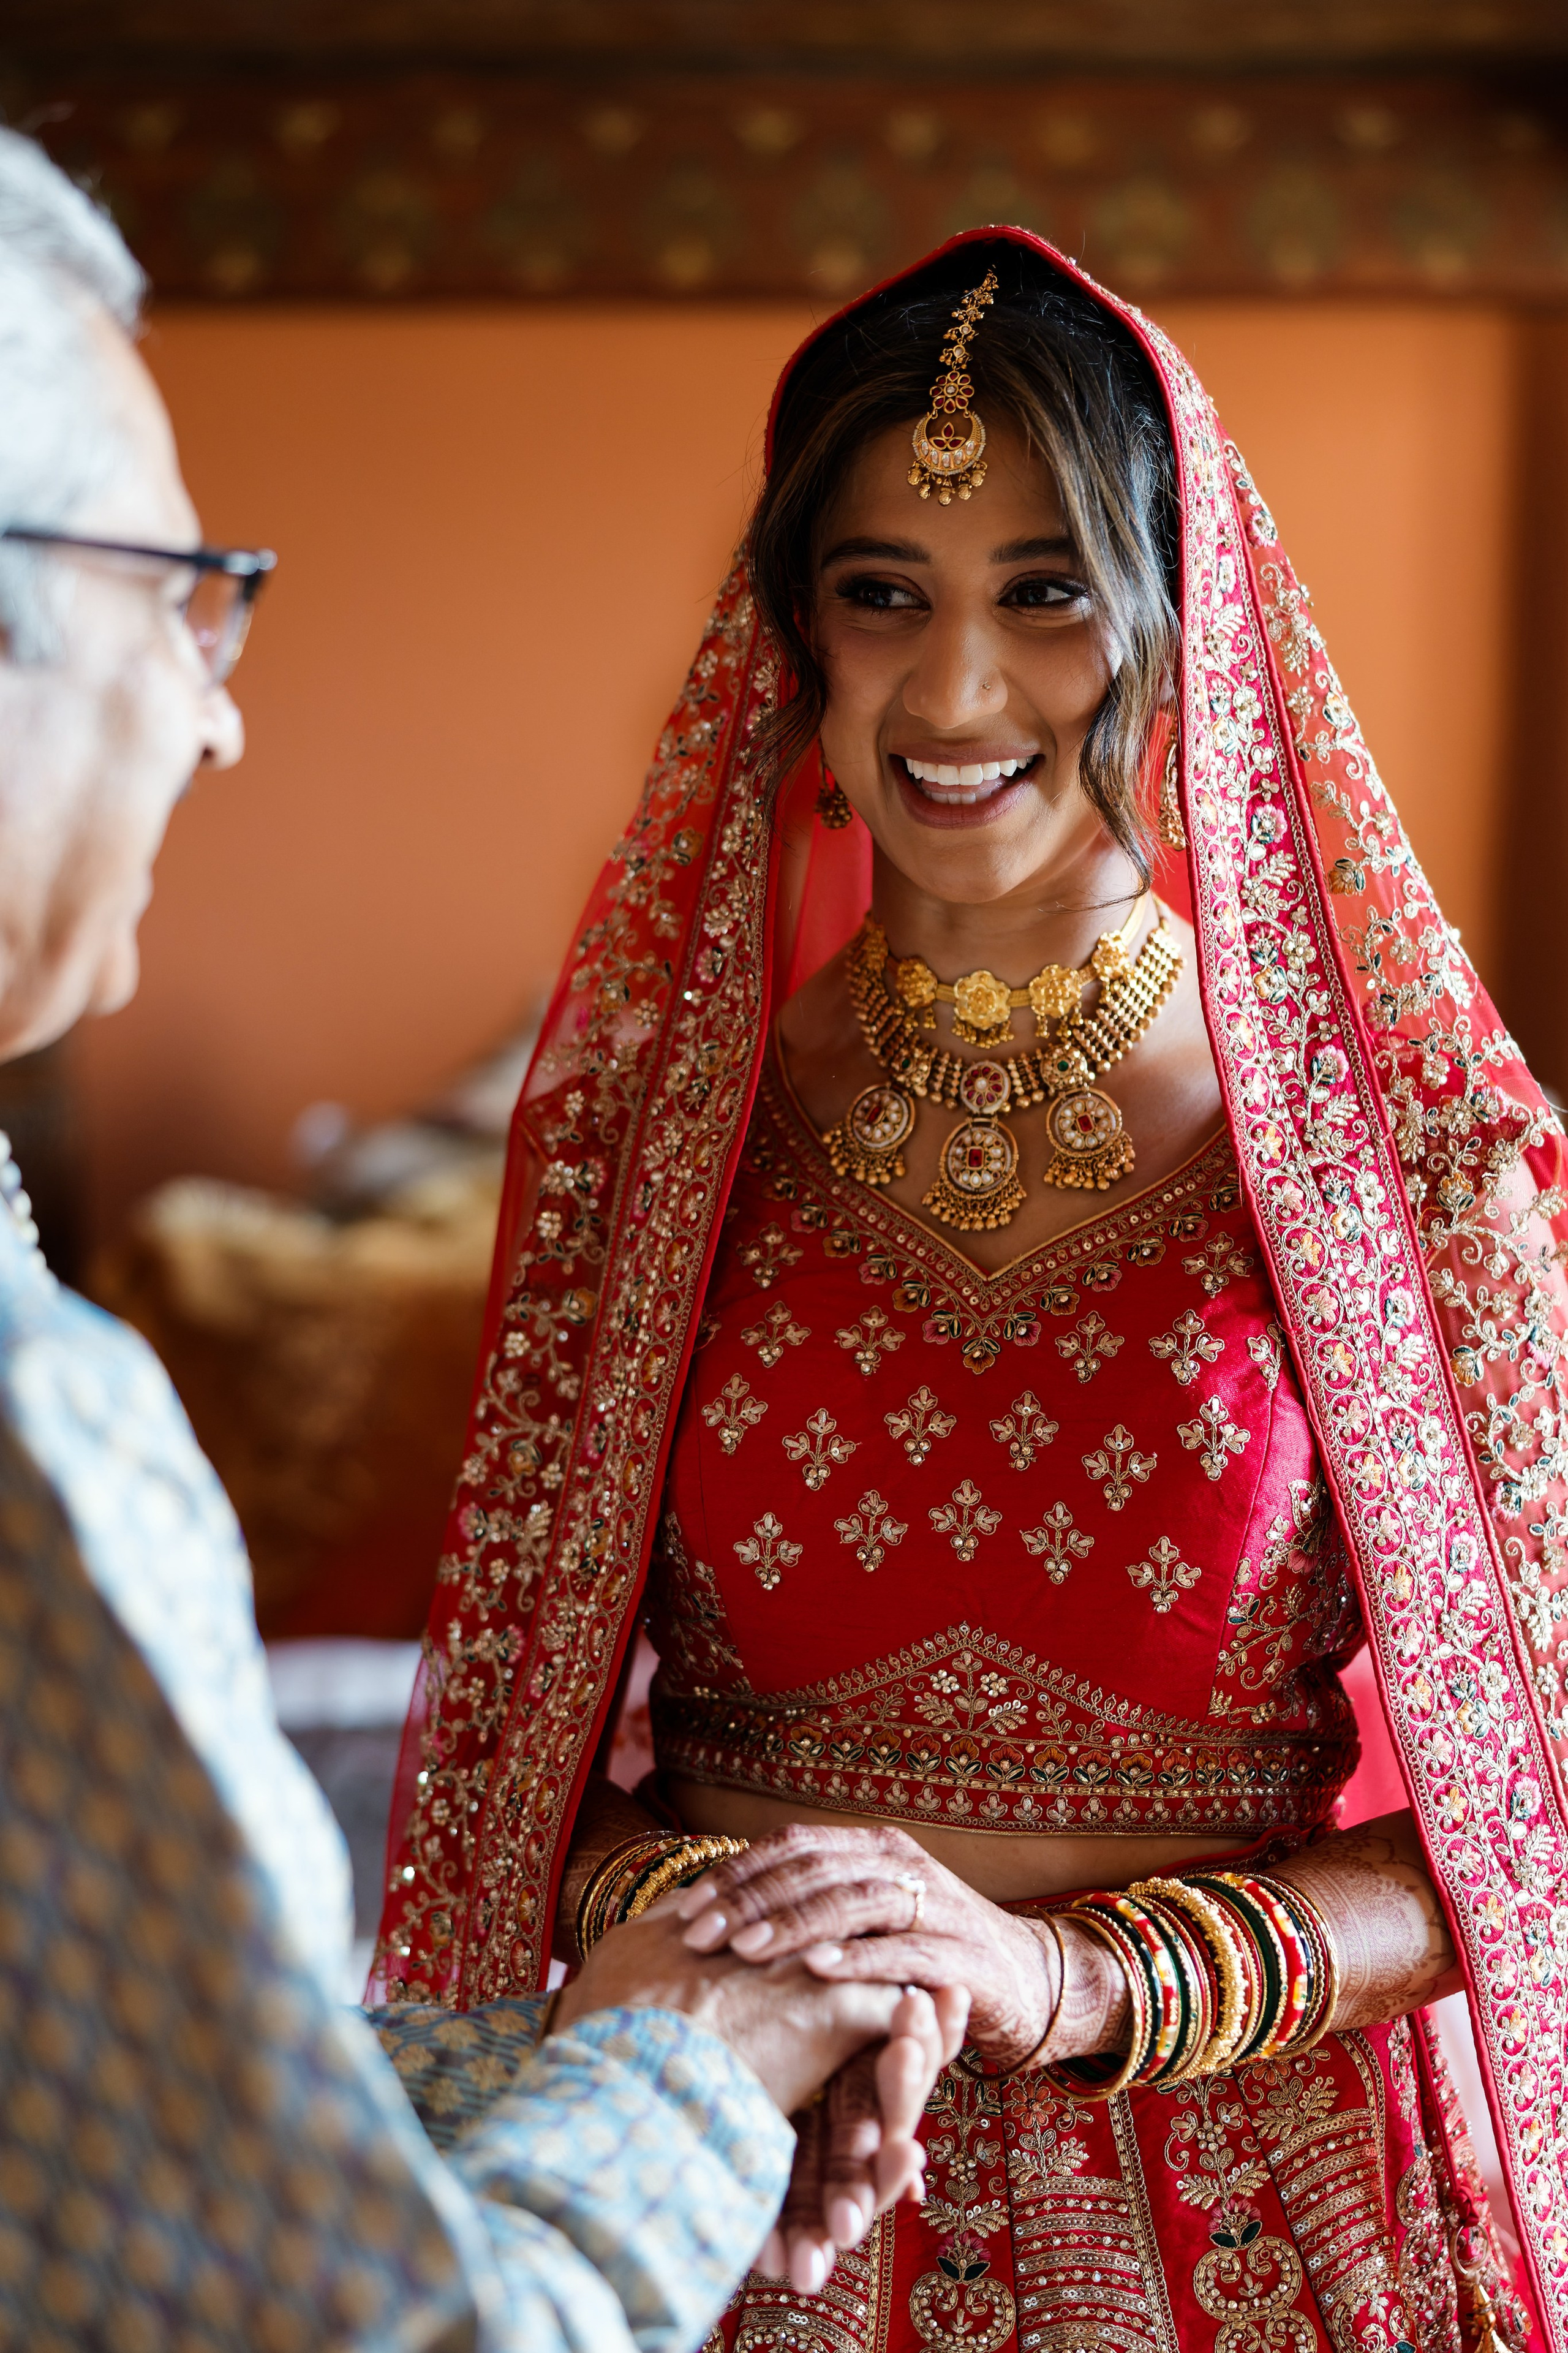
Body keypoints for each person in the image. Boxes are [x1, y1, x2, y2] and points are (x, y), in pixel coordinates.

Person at [379, 227, 1566, 2351]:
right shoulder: (651, 1138)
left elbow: (1530, 1802)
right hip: (763, 2193)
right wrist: (796, 1943)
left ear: (1190, 630)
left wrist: (1064, 1977)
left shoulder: (1407, 1159)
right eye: (881, 596)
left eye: (1049, 594)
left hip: (1262, 2232)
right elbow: (492, 1800)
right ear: (794, 652)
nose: (954, 695)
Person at [0, 127, 964, 2352]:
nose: (224, 710)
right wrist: (699, 2056)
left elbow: (158, 2139)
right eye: (184, 599)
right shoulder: (39, 1425)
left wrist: (623, 2033)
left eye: (1047, 593)